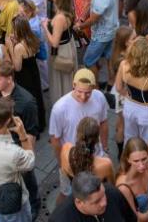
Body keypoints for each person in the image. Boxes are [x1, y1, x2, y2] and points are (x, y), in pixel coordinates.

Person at [49, 69, 108, 203]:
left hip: (95, 155)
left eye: (87, 93)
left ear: (93, 88)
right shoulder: (60, 108)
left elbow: (104, 122)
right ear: (73, 85)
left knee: (93, 193)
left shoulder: (99, 97)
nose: (83, 97)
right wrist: (61, 164)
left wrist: (104, 148)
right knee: (66, 194)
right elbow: (55, 139)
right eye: (79, 92)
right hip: (71, 160)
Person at [115, 37, 148, 144]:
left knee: (130, 139)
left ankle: (129, 159)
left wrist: (128, 95)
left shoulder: (123, 65)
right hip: (147, 111)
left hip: (129, 107)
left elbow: (118, 87)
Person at [5, 15, 45, 132]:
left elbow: (17, 67)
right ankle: (40, 122)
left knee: (27, 99)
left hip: (24, 75)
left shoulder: (18, 47)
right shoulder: (32, 38)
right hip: (33, 70)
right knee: (37, 95)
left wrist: (10, 46)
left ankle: (30, 125)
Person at [79, 0, 119, 79]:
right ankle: (111, 84)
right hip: (112, 29)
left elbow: (93, 19)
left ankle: (95, 89)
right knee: (109, 57)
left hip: (101, 35)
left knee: (88, 61)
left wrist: (79, 26)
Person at [49, 171, 137, 222]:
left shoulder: (111, 192)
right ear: (79, 202)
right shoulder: (60, 219)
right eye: (97, 201)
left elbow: (130, 219)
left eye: (104, 194)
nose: (104, 203)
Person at [43, 0, 78, 105]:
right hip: (68, 46)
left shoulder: (59, 18)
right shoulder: (69, 12)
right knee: (67, 79)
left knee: (60, 80)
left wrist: (45, 27)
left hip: (61, 52)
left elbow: (54, 42)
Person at [116, 137, 148, 221]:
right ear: (128, 160)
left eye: (144, 159)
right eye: (136, 161)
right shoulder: (124, 186)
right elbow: (135, 217)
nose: (142, 165)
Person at [60, 117, 115, 184]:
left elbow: (64, 171)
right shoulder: (106, 164)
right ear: (97, 140)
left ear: (77, 134)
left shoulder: (66, 148)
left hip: (76, 191)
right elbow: (112, 185)